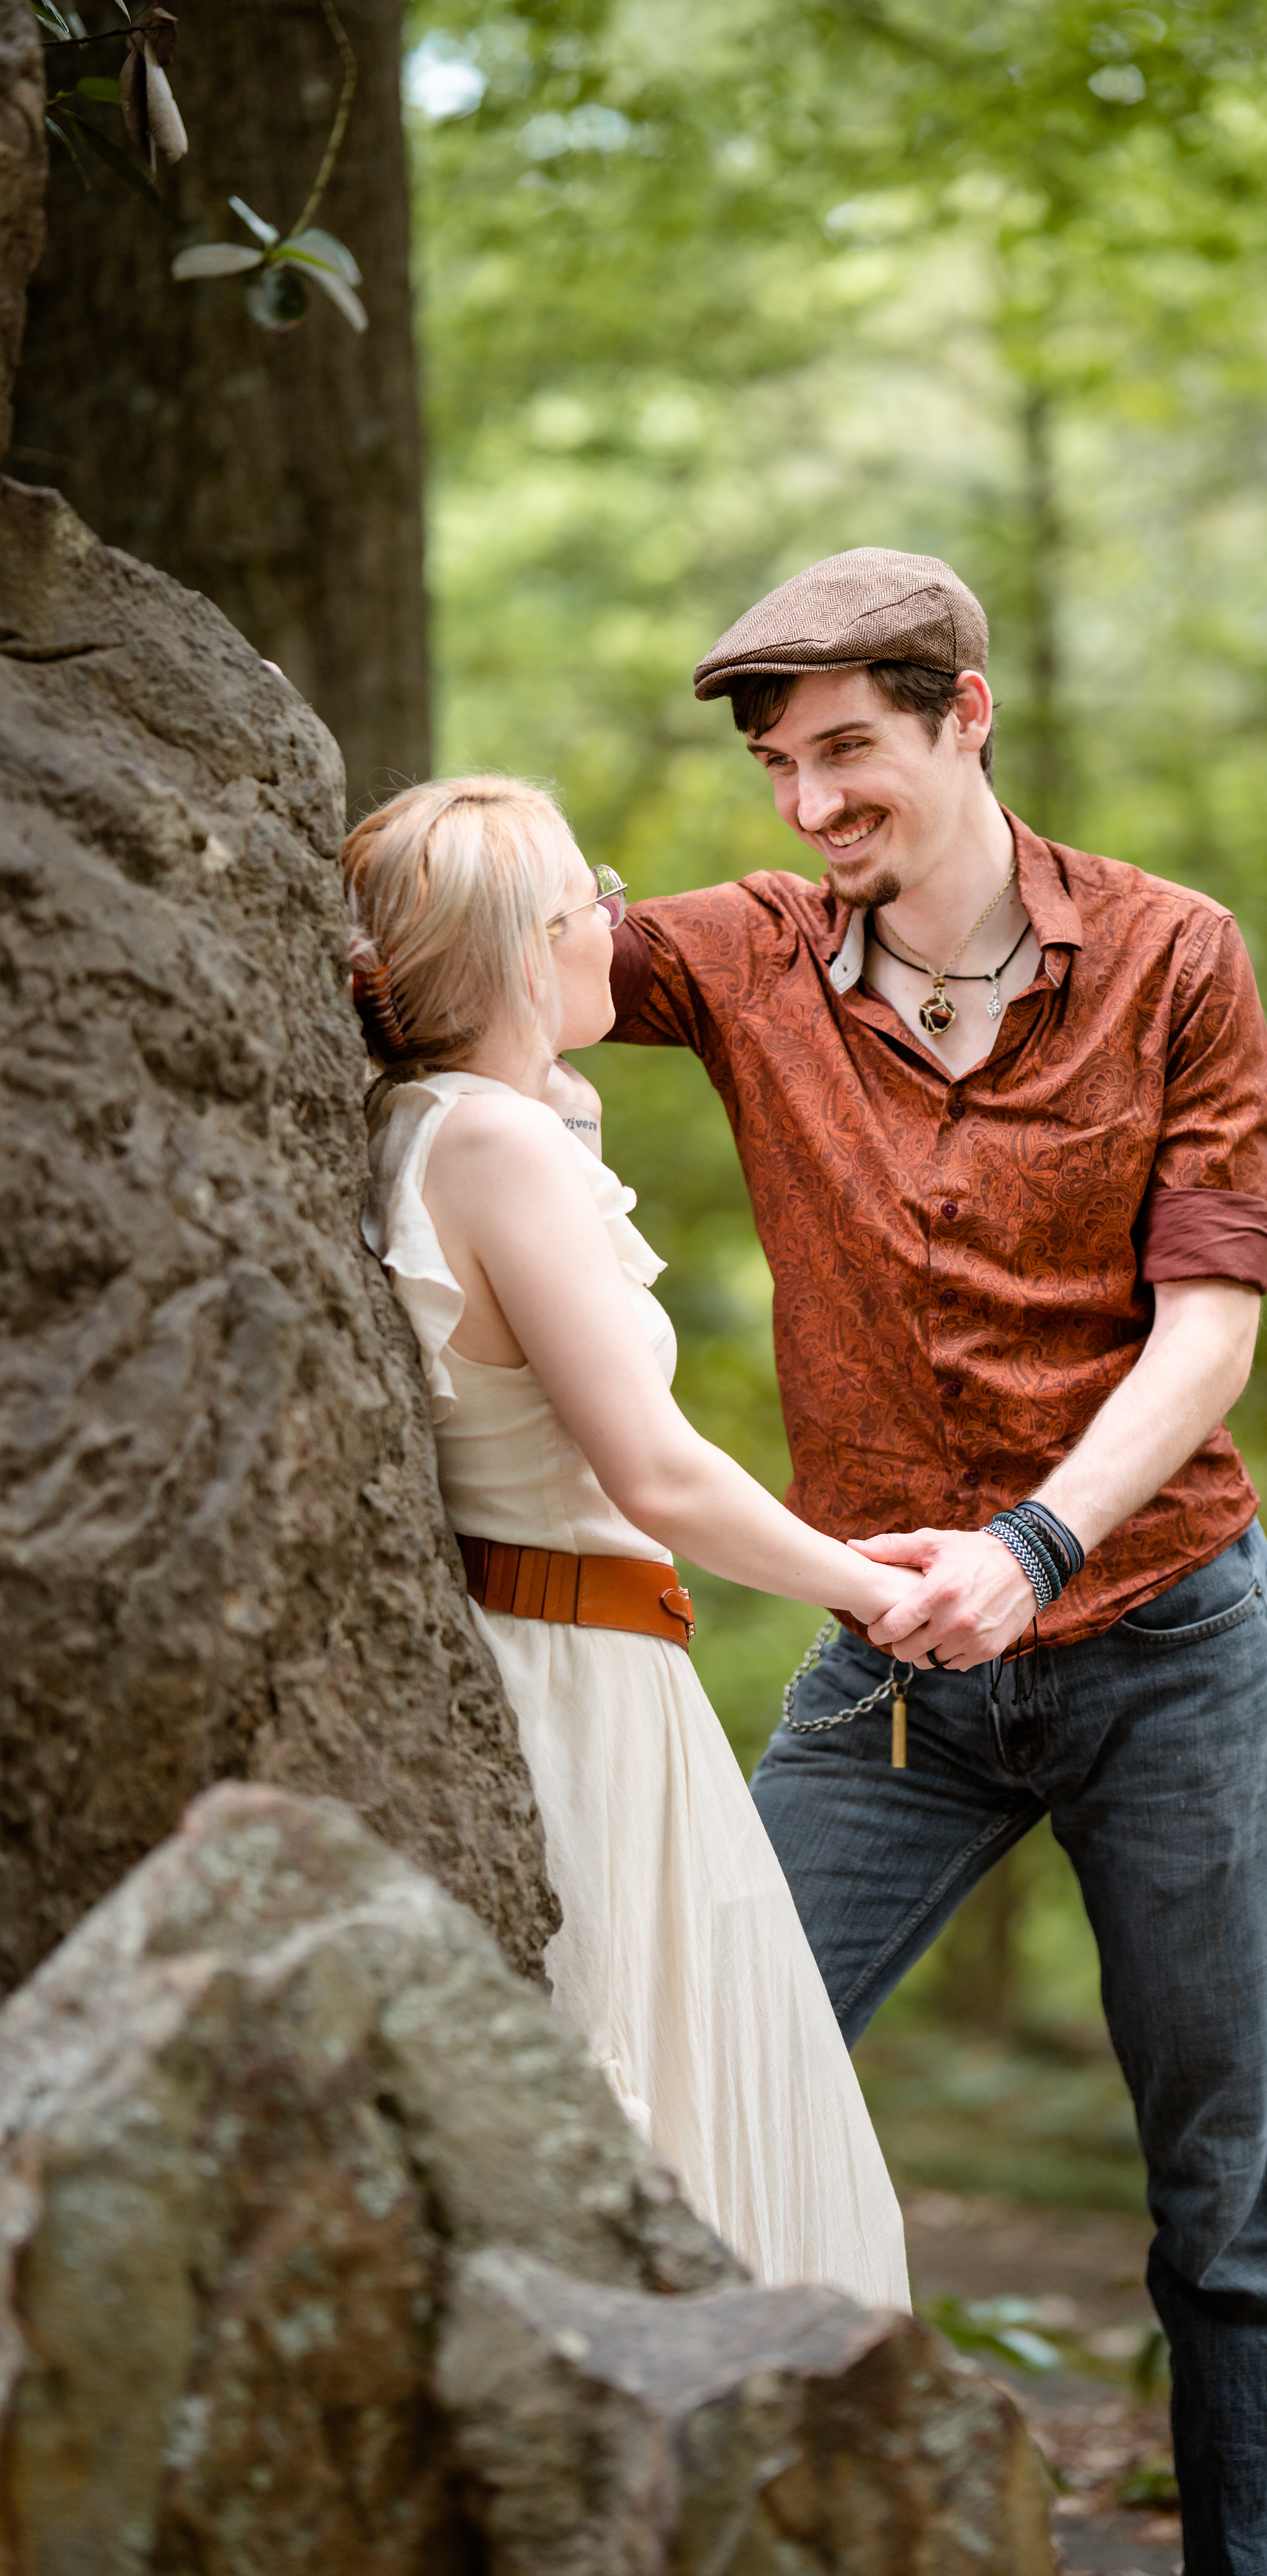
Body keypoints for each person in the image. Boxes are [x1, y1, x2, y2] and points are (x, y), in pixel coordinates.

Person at [602, 548, 1267, 2573]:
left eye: (850, 752)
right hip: (890, 1677)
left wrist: (1038, 1539)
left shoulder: (1179, 956)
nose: (811, 806)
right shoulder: (744, 954)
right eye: (779, 766)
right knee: (685, 2088)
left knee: (1229, 2206)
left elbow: (1212, 1328)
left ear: (966, 716)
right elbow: (481, 966)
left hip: (1167, 1641)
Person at [344, 773, 910, 2313]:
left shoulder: (456, 1123)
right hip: (579, 1682)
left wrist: (559, 1092)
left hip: (578, 1656)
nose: (618, 909)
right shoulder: (494, 1150)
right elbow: (654, 1472)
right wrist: (873, 1586)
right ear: (531, 949)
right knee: (686, 2136)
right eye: (585, 892)